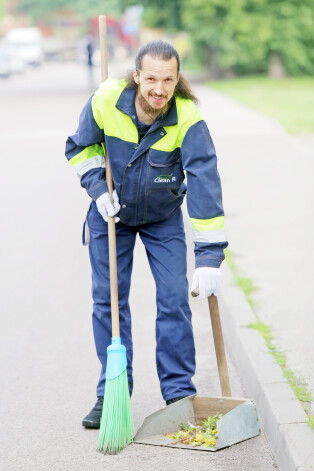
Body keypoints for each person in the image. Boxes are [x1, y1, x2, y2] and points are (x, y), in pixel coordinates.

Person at [65, 41, 228, 428]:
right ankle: (112, 392)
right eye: (151, 78)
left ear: (177, 79)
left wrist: (208, 258)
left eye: (168, 80)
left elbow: (205, 183)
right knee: (108, 301)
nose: (159, 88)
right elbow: (80, 146)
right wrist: (97, 188)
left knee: (174, 300)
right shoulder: (106, 99)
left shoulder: (187, 117)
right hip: (111, 214)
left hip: (162, 217)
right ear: (136, 75)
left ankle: (178, 395)